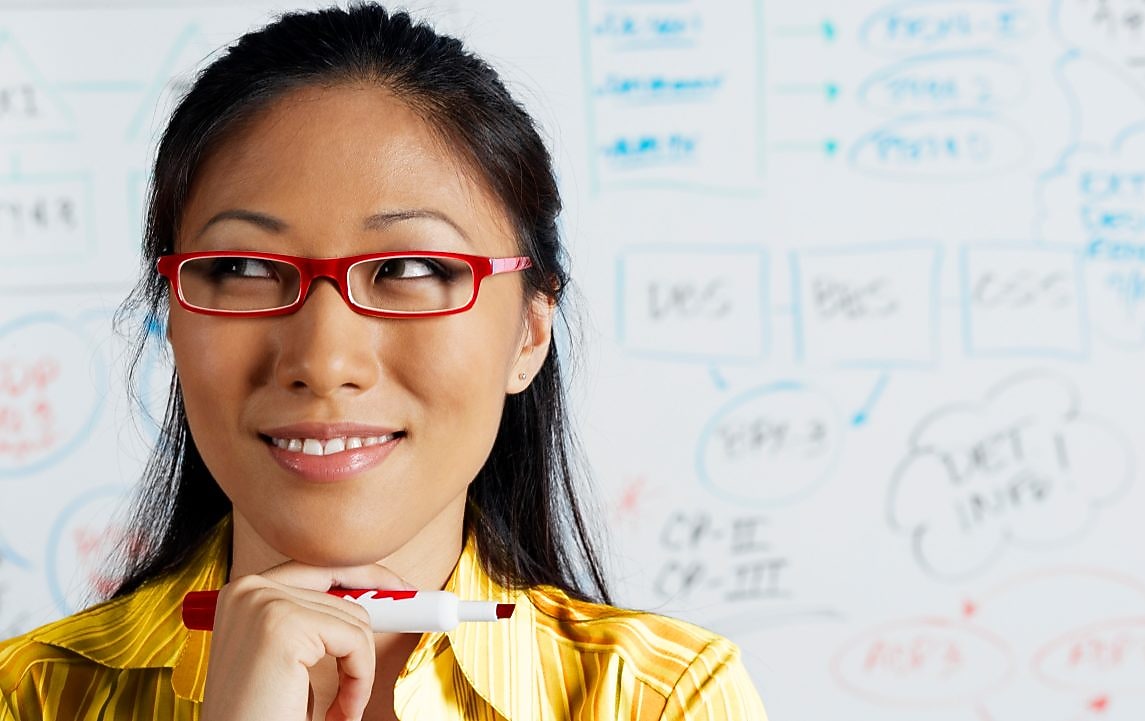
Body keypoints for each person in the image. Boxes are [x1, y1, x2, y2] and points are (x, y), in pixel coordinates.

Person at [0, 4, 768, 719]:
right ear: (172, 311)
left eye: (408, 269)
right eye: (244, 268)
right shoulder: (29, 694)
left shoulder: (660, 697)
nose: (323, 359)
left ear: (530, 331)